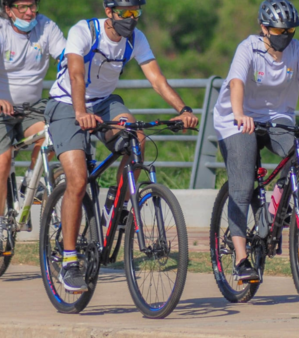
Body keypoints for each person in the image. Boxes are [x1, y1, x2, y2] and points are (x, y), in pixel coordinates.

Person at [46, 0, 199, 292]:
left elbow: (157, 79)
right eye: (125, 12)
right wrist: (80, 112)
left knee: (136, 137)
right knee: (77, 180)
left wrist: (183, 109)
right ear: (109, 12)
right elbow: (76, 75)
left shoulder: (135, 39)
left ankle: (115, 204)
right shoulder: (85, 31)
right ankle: (68, 261)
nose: (131, 18)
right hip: (67, 104)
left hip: (104, 103)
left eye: (136, 12)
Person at [213, 0, 299, 281]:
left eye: (290, 30)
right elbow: (236, 83)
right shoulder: (249, 48)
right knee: (244, 184)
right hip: (237, 119)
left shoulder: (297, 50)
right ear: (264, 28)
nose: (284, 36)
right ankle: (242, 258)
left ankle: (276, 212)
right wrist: (239, 114)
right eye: (278, 30)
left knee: (298, 151)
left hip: (277, 118)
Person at [0, 0, 66, 257]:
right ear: (8, 8)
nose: (29, 12)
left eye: (33, 5)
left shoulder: (46, 27)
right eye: (22, 6)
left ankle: (29, 187)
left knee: (53, 134)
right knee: (2, 160)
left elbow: (68, 59)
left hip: (30, 108)